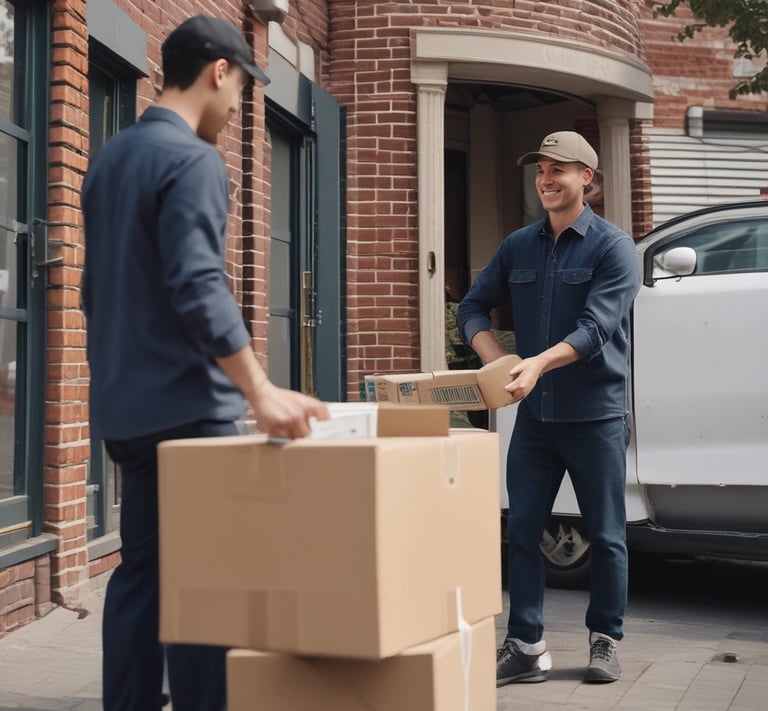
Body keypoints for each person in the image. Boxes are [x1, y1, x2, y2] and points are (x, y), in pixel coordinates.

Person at [81, 15, 329, 711]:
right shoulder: (193, 161)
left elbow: (92, 292)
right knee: (208, 586)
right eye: (243, 87)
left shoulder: (108, 160)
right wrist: (259, 388)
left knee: (144, 574)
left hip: (126, 411)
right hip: (190, 414)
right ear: (219, 71)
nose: (239, 105)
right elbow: (198, 284)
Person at [457, 131, 641, 686]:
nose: (546, 179)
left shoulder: (614, 248)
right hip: (536, 418)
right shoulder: (519, 245)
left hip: (595, 416)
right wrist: (495, 356)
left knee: (607, 536)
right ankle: (526, 646)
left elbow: (595, 330)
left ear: (587, 177)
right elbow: (472, 305)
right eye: (540, 168)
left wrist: (535, 364)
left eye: (558, 169)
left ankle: (605, 639)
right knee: (521, 532)